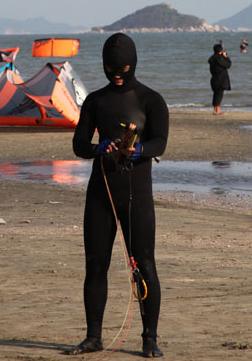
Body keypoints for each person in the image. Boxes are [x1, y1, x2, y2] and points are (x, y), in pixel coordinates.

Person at [68, 33, 169, 358]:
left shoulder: (151, 100)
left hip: (136, 195)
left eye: (123, 67)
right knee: (96, 265)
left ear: (134, 63)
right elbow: (79, 144)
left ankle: (150, 338)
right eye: (111, 68)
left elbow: (160, 143)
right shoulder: (95, 101)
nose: (117, 74)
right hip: (101, 194)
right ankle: (93, 337)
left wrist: (139, 150)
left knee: (144, 265)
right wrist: (99, 148)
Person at [208, 44, 232, 115]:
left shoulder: (212, 58)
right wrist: (225, 57)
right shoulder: (219, 58)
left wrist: (222, 56)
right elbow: (228, 65)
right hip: (220, 79)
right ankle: (217, 110)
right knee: (219, 94)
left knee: (216, 94)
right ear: (220, 50)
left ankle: (216, 110)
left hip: (214, 78)